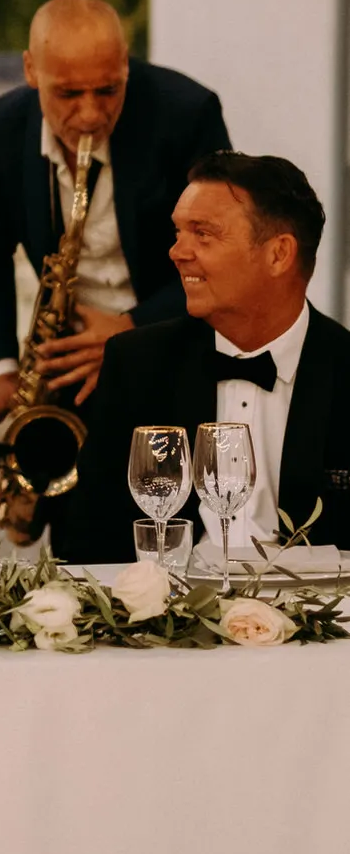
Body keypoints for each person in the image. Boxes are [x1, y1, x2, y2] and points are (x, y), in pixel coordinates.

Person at [0, 0, 230, 458]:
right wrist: (4, 374)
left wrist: (131, 328)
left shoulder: (186, 114)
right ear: (30, 71)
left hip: (177, 346)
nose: (89, 115)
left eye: (108, 91)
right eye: (67, 94)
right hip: (70, 366)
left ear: (125, 65)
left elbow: (220, 250)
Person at [69, 151, 350, 562]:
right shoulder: (138, 363)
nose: (177, 252)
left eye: (202, 234)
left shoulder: (344, 367)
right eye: (179, 232)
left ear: (278, 254)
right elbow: (90, 536)